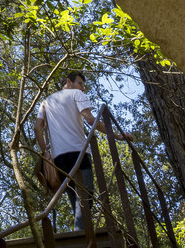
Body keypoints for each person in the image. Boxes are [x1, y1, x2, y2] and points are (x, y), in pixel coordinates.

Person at [34, 71, 130, 231]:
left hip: (58, 158)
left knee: (75, 197)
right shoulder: (76, 94)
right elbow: (90, 119)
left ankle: (81, 232)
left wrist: (46, 152)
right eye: (80, 83)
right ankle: (81, 232)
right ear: (69, 82)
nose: (83, 88)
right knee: (86, 193)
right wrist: (117, 136)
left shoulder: (46, 101)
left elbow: (37, 128)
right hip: (78, 152)